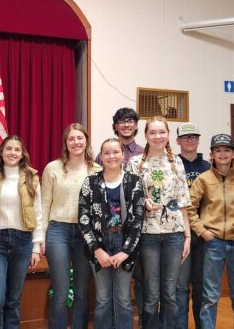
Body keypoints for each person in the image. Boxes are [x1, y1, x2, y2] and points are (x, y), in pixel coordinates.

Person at [127, 116, 191, 329]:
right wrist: (140, 200)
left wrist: (188, 236)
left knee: (170, 293)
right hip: (147, 235)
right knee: (151, 293)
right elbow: (127, 197)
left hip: (174, 234)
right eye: (152, 132)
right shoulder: (136, 163)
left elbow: (183, 201)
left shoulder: (176, 162)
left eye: (161, 132)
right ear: (145, 135)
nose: (157, 136)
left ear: (168, 134)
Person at [78, 138, 145, 329]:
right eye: (106, 153)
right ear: (101, 156)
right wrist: (97, 250)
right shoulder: (90, 182)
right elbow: (83, 219)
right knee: (103, 298)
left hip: (125, 245)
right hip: (99, 245)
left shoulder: (134, 181)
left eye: (115, 152)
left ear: (122, 155)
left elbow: (138, 220)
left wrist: (126, 251)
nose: (111, 156)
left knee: (123, 298)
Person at [187, 133, 234, 329]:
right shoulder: (203, 179)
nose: (222, 154)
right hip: (213, 243)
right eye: (218, 150)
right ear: (211, 154)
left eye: (226, 150)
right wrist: (203, 232)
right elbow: (189, 208)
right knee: (210, 296)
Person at [42, 123, 102, 329]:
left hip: (86, 234)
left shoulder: (97, 170)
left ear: (86, 141)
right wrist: (40, 237)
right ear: (65, 143)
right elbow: (44, 204)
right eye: (71, 139)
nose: (76, 142)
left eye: (80, 138)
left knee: (82, 291)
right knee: (60, 290)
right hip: (58, 231)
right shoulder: (53, 168)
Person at [0, 135, 44, 329]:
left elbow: (38, 212)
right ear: (1, 151)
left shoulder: (31, 177)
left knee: (13, 299)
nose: (12, 153)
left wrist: (36, 247)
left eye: (17, 149)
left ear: (22, 153)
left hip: (23, 241)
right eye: (8, 148)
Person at [174, 122, 210, 329]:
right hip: (180, 234)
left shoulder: (207, 168)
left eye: (194, 137)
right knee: (180, 288)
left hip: (203, 234)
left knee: (201, 287)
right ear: (178, 141)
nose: (190, 141)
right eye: (186, 137)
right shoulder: (172, 166)